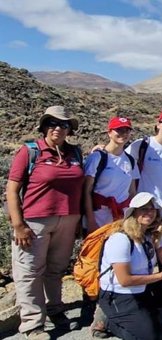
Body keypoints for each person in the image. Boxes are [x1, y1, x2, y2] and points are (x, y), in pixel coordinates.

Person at [6, 106, 83, 340]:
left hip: (68, 220)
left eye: (64, 124)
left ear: (70, 128)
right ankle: (31, 324)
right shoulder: (30, 151)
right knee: (29, 271)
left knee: (56, 269)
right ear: (43, 126)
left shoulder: (75, 153)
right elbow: (12, 189)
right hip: (35, 221)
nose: (57, 128)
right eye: (52, 123)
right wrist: (18, 224)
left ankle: (55, 308)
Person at [98, 192, 162, 340]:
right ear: (134, 213)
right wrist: (161, 275)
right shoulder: (120, 239)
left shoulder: (151, 235)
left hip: (142, 289)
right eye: (144, 209)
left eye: (153, 209)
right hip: (119, 294)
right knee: (148, 337)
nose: (150, 213)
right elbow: (125, 280)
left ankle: (150, 312)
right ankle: (108, 322)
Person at [125, 108, 162, 237]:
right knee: (143, 244)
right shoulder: (141, 145)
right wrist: (102, 149)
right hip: (145, 206)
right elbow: (120, 158)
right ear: (158, 124)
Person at [83, 117, 140, 233]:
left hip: (121, 219)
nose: (123, 134)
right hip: (98, 217)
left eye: (127, 130)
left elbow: (132, 192)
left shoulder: (130, 160)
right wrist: (90, 220)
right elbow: (86, 191)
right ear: (109, 133)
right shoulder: (97, 158)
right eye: (119, 130)